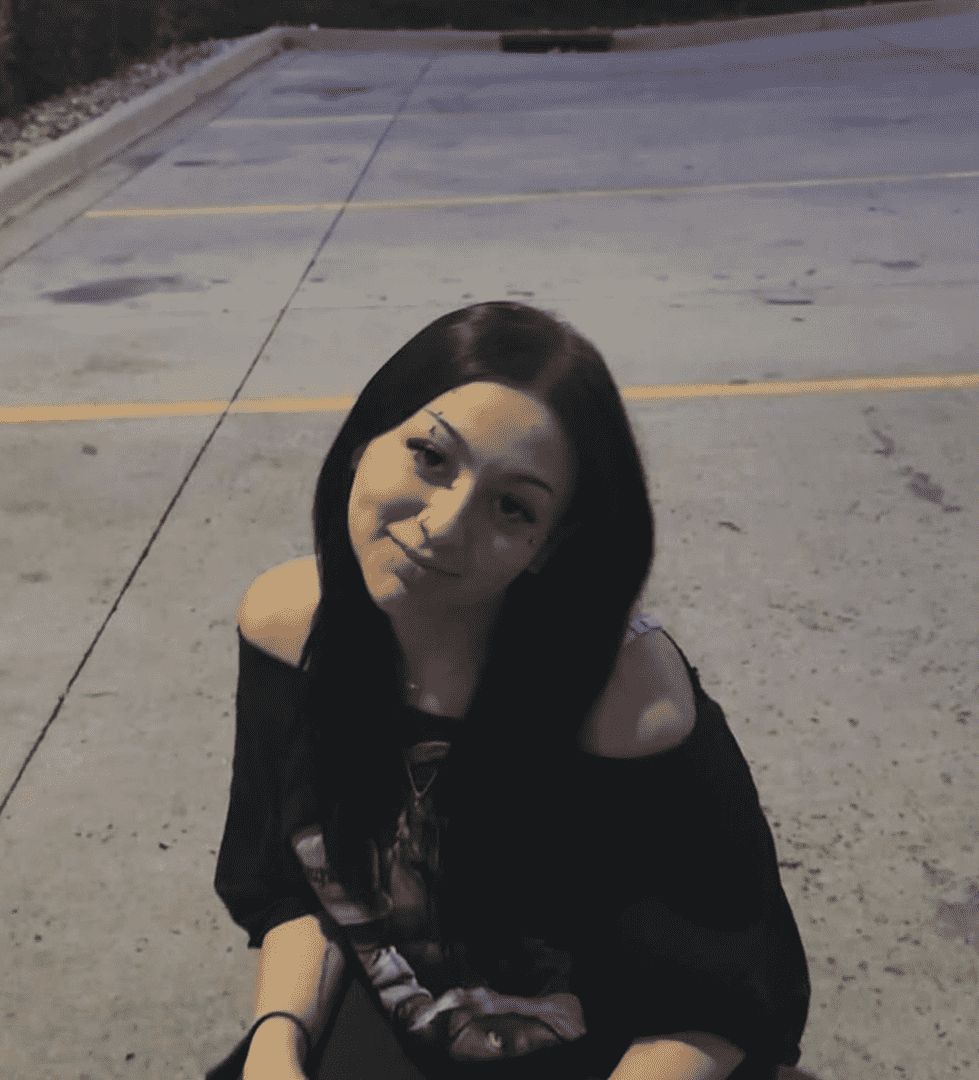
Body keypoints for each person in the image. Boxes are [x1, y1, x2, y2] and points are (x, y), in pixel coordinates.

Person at [208, 302, 813, 1080]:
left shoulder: (625, 700)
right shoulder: (290, 634)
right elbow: (300, 891)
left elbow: (718, 1000)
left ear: (549, 545)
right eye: (431, 456)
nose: (444, 524)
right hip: (407, 1030)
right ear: (365, 439)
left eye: (512, 506)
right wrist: (277, 1041)